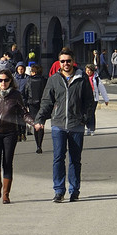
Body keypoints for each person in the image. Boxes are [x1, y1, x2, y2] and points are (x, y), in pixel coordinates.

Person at [34, 51, 97, 202]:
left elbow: (90, 101)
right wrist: (40, 119)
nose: (65, 64)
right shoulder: (54, 79)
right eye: (62, 61)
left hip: (76, 125)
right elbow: (46, 101)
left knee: (75, 159)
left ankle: (74, 190)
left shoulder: (81, 79)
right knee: (58, 158)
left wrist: (85, 118)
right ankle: (59, 191)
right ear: (59, 63)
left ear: (73, 61)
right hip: (58, 124)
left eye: (68, 61)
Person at [0, 69, 31, 203]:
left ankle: (6, 194)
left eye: (6, 80)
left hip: (10, 133)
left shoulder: (16, 95)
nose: (3, 83)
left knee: (7, 163)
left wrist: (34, 122)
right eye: (0, 80)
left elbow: (23, 113)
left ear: (11, 81)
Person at [25, 63, 49, 153]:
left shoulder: (29, 80)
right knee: (41, 123)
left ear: (34, 72)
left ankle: (38, 145)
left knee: (36, 124)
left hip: (32, 104)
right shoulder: (44, 80)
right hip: (42, 104)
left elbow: (26, 91)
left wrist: (25, 103)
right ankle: (40, 144)